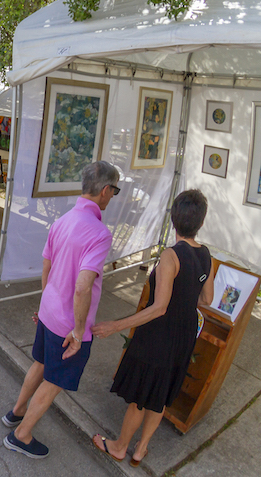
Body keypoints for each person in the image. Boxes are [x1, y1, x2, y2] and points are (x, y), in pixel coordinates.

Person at [3, 160, 120, 459]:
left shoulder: (63, 220)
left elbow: (47, 264)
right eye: (114, 191)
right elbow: (83, 286)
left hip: (50, 312)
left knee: (40, 364)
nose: (112, 196)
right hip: (69, 324)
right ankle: (21, 435)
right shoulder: (99, 233)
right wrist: (79, 332)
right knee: (54, 382)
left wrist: (46, 302)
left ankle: (16, 413)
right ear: (105, 191)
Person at [91, 190, 214, 466]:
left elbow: (159, 308)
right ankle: (140, 449)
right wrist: (185, 298)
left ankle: (121, 446)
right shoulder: (206, 255)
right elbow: (206, 299)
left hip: (159, 334)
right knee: (160, 395)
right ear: (201, 223)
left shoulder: (171, 255)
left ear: (173, 220)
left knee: (140, 397)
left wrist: (115, 325)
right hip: (184, 335)